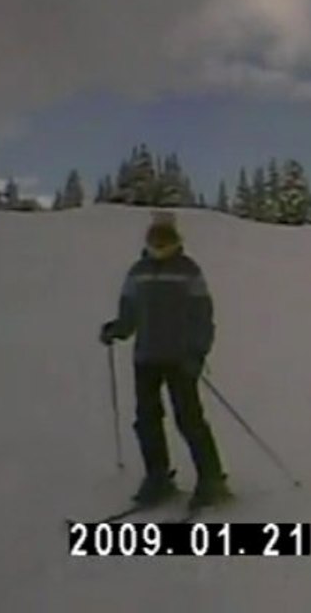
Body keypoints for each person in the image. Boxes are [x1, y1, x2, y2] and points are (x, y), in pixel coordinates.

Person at [99, 211, 232, 510]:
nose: (160, 244)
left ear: (176, 240)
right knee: (147, 420)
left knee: (189, 419)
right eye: (155, 239)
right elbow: (129, 313)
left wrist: (198, 352)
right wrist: (116, 330)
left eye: (165, 239)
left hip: (180, 358)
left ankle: (211, 479)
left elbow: (202, 317)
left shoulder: (189, 270)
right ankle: (158, 476)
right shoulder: (137, 272)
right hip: (146, 357)